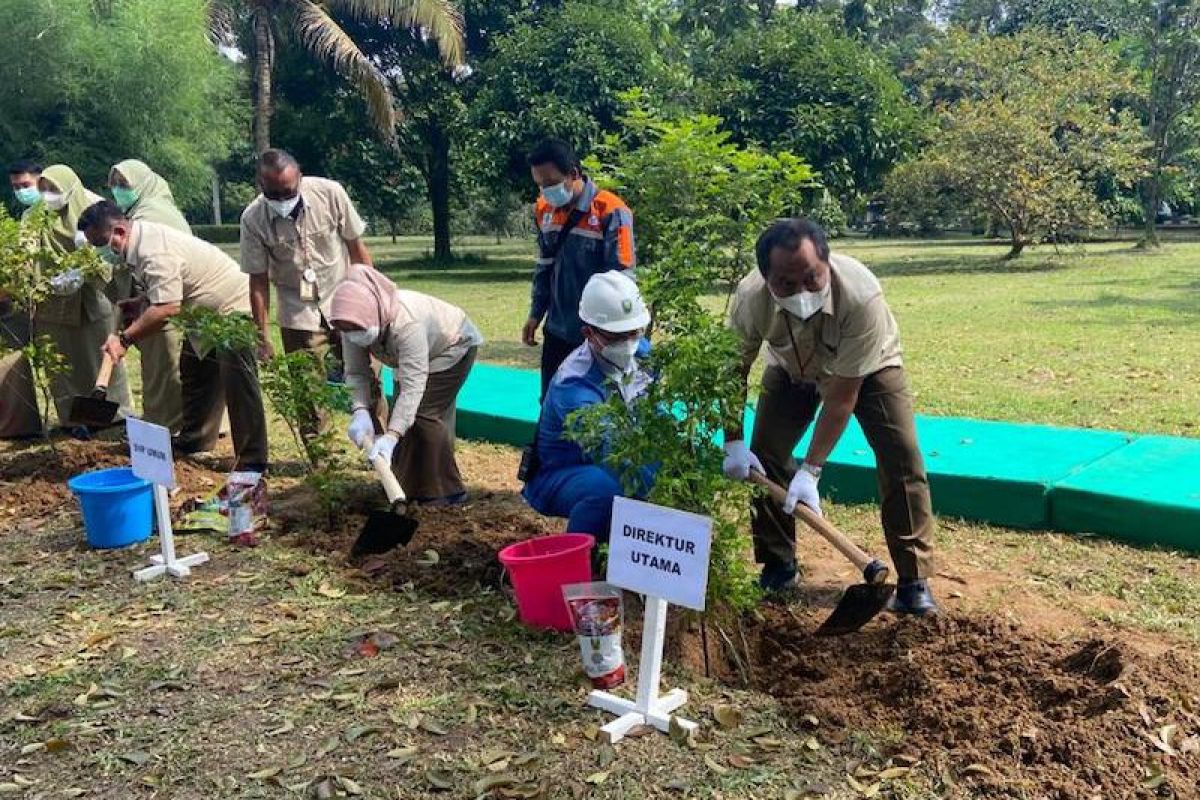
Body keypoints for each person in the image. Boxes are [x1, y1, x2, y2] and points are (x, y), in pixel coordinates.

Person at [723, 218, 937, 614]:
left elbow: (843, 396)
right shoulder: (751, 298)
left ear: (826, 261)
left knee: (901, 454)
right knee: (765, 452)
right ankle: (778, 565)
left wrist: (812, 470)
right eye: (787, 284)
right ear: (766, 278)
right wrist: (732, 440)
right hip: (791, 368)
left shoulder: (860, 295)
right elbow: (730, 372)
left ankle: (913, 580)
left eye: (812, 278)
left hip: (868, 369)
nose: (802, 291)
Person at [78, 201, 268, 472]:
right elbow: (166, 289)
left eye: (100, 243)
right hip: (203, 314)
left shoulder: (153, 251)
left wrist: (124, 339)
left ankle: (252, 462)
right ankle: (195, 440)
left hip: (232, 308)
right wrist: (142, 302)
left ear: (119, 231)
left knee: (239, 386)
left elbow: (167, 308)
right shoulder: (139, 244)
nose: (99, 251)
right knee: (195, 372)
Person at [332, 264, 482, 505]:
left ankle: (446, 492)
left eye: (356, 330)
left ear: (373, 317)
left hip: (453, 347)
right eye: (347, 330)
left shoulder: (406, 324)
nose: (353, 335)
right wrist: (359, 411)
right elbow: (356, 373)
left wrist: (391, 435)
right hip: (412, 358)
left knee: (424, 414)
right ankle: (403, 486)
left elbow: (413, 386)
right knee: (405, 418)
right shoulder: (351, 323)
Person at [522, 271, 653, 540]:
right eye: (616, 335)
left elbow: (656, 414)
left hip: (616, 458)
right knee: (608, 489)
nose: (628, 343)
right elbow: (610, 453)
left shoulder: (643, 355)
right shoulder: (573, 385)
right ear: (588, 333)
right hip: (561, 473)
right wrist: (664, 495)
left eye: (634, 332)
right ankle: (584, 557)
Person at [240, 149, 373, 379]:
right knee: (308, 396)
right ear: (261, 185)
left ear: (300, 178)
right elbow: (258, 282)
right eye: (273, 194)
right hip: (297, 312)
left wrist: (372, 301)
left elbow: (357, 250)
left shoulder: (330, 194)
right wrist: (262, 338)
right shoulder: (252, 219)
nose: (282, 200)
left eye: (288, 192)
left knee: (370, 381)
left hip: (343, 298)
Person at [522, 139, 636, 398]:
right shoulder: (544, 210)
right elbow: (544, 267)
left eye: (550, 184)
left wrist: (610, 335)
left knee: (593, 405)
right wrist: (535, 313)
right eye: (539, 185)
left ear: (573, 174)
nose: (545, 192)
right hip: (557, 329)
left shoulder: (612, 211)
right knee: (551, 399)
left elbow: (622, 280)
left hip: (597, 336)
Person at [33, 165, 132, 433]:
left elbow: (111, 256)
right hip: (53, 301)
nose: (48, 195)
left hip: (92, 298)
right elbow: (29, 249)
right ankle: (72, 419)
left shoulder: (91, 207)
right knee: (63, 365)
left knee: (98, 356)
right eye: (43, 189)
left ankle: (115, 414)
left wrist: (86, 268)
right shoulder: (35, 216)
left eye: (54, 189)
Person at [107, 159, 188, 432]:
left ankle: (166, 426)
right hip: (154, 295)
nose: (119, 190)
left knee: (165, 366)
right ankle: (163, 422)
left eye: (124, 184)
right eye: (115, 185)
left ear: (143, 184)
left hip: (168, 298)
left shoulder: (152, 213)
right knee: (159, 365)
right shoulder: (138, 209)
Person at [0, 160, 44, 438]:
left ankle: (20, 428)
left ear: (41, 180)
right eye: (16, 187)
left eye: (25, 185)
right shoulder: (29, 215)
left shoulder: (51, 211)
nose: (20, 191)